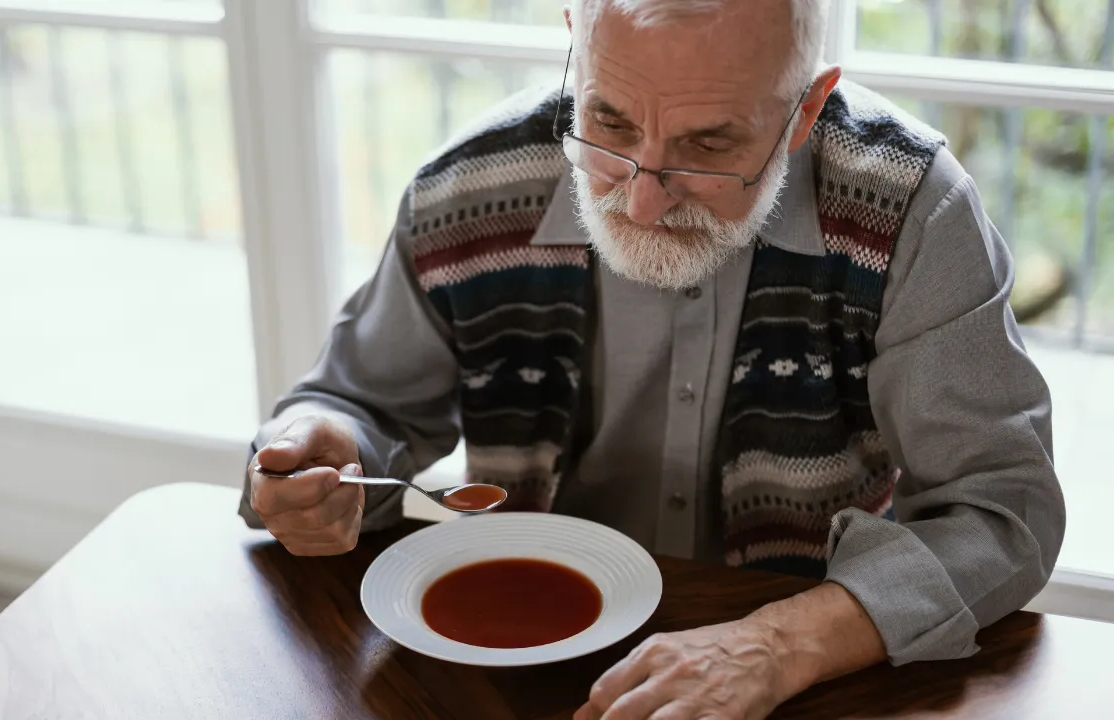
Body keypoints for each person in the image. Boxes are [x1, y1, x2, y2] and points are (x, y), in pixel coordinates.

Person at [239, 0, 1066, 717]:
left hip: (810, 673)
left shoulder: (912, 211)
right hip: (518, 660)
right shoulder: (464, 188)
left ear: (808, 108)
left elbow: (1001, 512)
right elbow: (356, 405)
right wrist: (321, 444)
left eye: (709, 144)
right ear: (576, 41)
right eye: (609, 122)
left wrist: (778, 646)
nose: (639, 197)